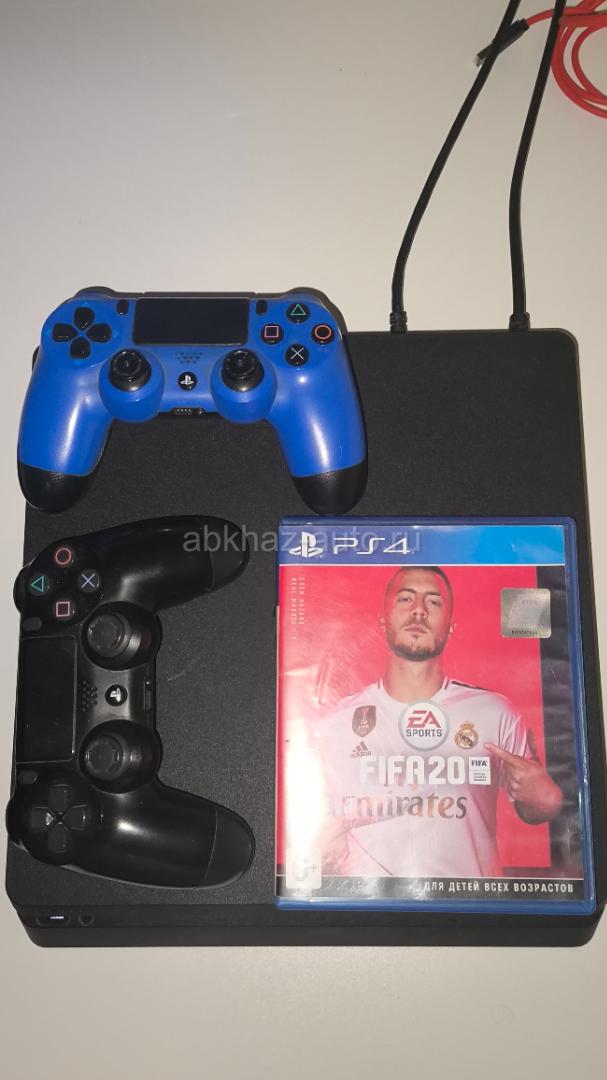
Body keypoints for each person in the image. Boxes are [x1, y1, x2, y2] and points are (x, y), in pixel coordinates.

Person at [311, 566, 563, 879]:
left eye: (434, 602)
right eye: (405, 599)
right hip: (372, 902)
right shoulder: (337, 723)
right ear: (383, 619)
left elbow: (533, 809)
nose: (418, 610)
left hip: (471, 903)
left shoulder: (494, 712)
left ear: (451, 625)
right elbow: (316, 824)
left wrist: (546, 800)